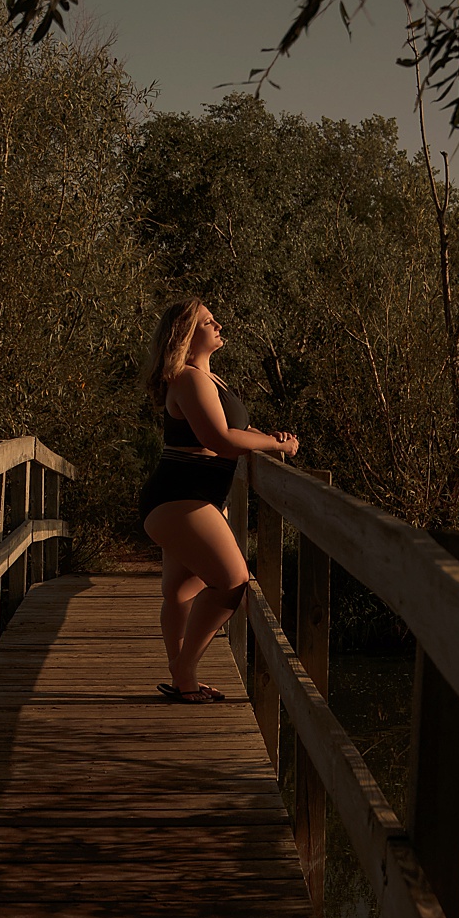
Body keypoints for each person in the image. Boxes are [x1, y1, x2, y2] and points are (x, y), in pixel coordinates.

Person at [138, 299, 299, 703]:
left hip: (192, 498)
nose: (219, 324)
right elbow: (220, 440)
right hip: (181, 499)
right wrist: (278, 448)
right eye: (209, 322)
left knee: (179, 591)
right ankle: (184, 668)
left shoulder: (211, 380)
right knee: (232, 582)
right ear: (187, 336)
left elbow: (234, 428)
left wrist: (270, 439)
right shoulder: (189, 379)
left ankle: (182, 681)